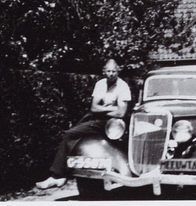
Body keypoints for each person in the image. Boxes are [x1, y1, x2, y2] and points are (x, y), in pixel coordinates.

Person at [36, 59, 132, 190]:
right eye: (108, 71)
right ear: (103, 71)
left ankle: (59, 175)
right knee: (71, 134)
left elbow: (121, 113)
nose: (111, 74)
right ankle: (58, 176)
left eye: (114, 71)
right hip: (97, 120)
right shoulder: (100, 84)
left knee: (72, 135)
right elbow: (93, 108)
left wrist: (103, 108)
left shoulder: (123, 86)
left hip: (113, 124)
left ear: (118, 70)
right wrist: (112, 108)